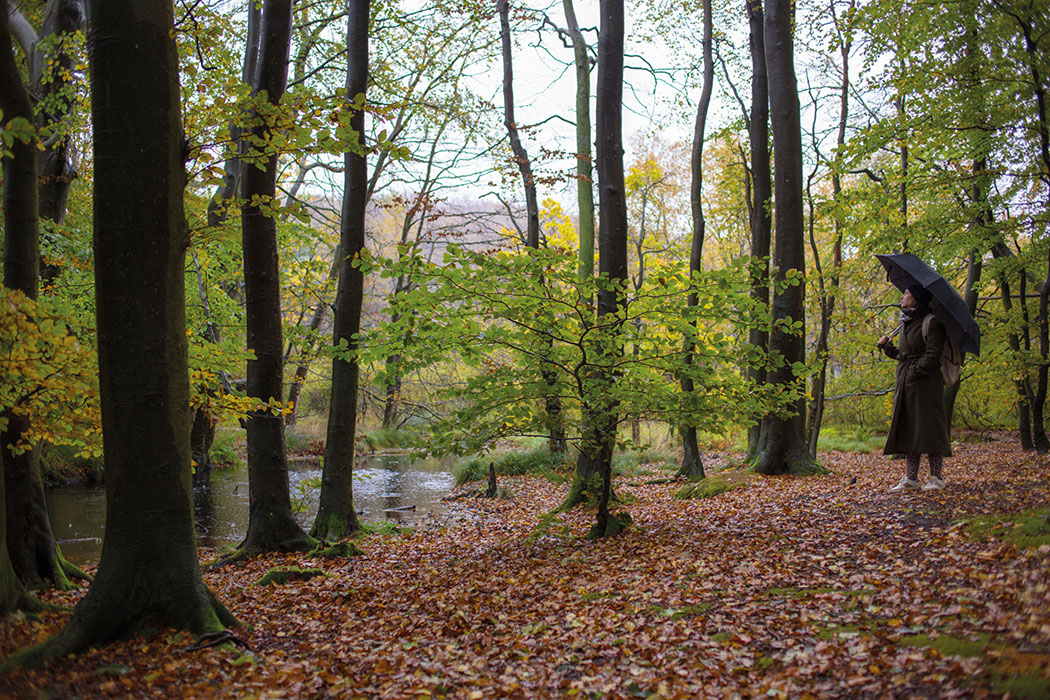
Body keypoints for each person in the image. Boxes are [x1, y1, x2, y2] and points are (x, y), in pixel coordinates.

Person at [876, 283, 951, 492]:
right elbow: (904, 355)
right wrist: (888, 348)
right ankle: (911, 478)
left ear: (916, 298)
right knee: (910, 428)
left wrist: (913, 373)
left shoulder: (932, 322)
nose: (902, 297)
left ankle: (936, 478)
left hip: (926, 384)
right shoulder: (907, 323)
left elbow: (933, 356)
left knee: (930, 428)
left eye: (906, 293)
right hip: (907, 383)